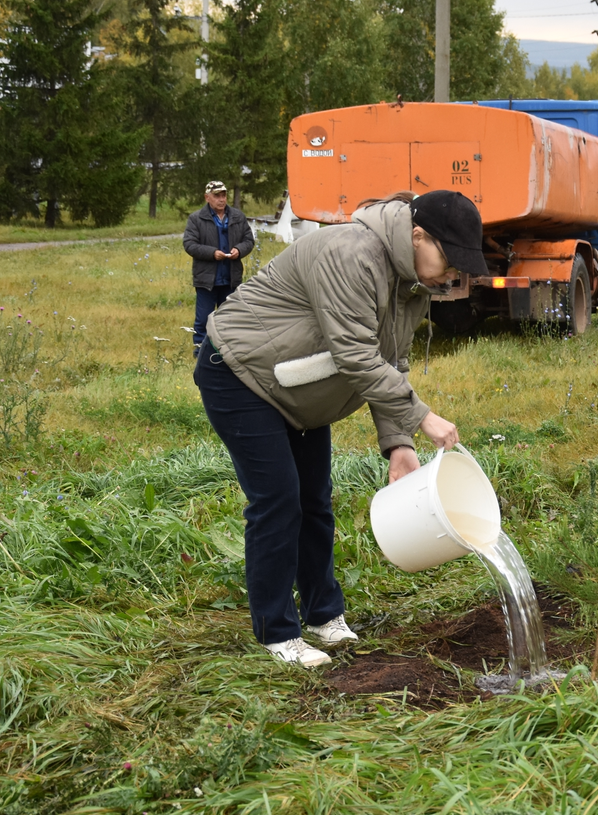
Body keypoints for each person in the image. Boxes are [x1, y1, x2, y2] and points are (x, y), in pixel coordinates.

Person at [195, 190, 483, 667]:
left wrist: (398, 444)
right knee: (278, 500)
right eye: (452, 260)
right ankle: (276, 632)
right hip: (241, 373)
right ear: (418, 236)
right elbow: (355, 355)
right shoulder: (350, 254)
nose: (457, 274)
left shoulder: (411, 284)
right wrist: (422, 417)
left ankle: (323, 615)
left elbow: (393, 362)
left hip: (300, 388)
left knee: (314, 499)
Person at [183, 181, 255, 355]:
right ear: (207, 198)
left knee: (229, 318)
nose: (221, 199)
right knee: (203, 319)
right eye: (217, 196)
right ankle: (200, 352)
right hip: (206, 279)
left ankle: (229, 352)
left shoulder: (238, 216)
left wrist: (239, 250)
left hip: (231, 277)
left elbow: (248, 240)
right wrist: (212, 253)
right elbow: (189, 244)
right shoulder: (196, 219)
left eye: (223, 195)